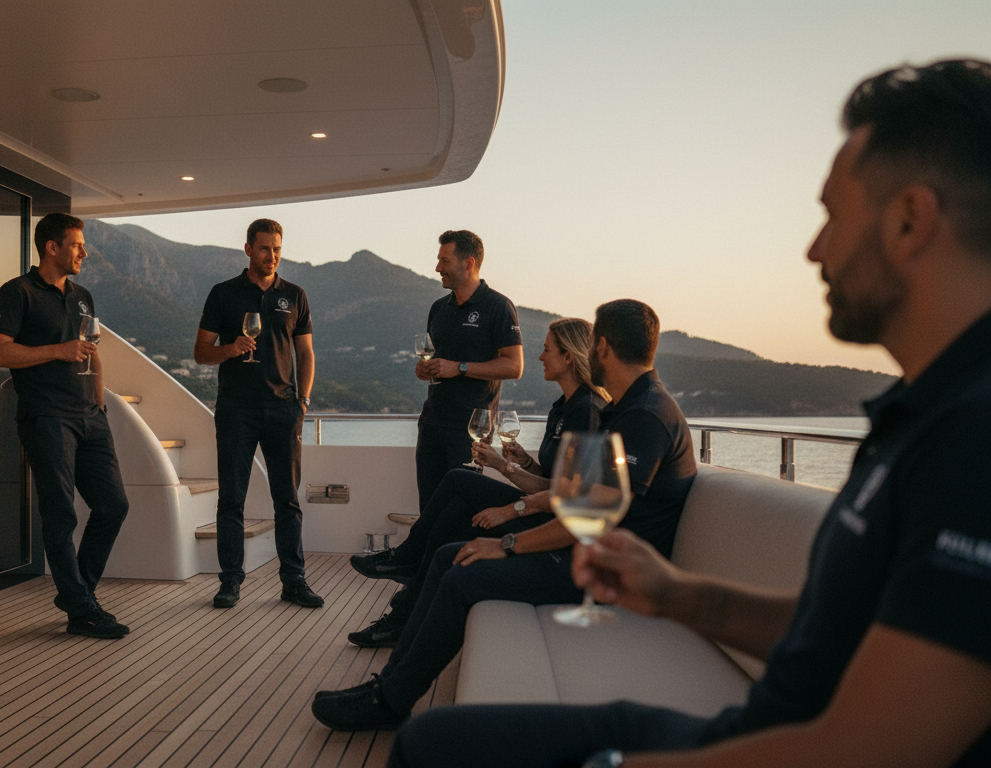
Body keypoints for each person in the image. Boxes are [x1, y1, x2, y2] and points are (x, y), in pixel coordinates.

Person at [387, 58, 991, 768]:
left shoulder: (973, 442)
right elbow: (837, 631)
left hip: (770, 747)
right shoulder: (921, 416)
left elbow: (867, 748)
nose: (813, 247)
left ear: (911, 219)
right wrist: (679, 596)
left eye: (832, 214)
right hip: (750, 724)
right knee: (434, 741)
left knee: (437, 752)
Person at [314, 300, 698, 730]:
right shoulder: (631, 407)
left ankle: (388, 702)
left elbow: (590, 513)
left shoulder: (644, 417)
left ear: (602, 348)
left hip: (608, 570)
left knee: (462, 573)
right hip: (588, 551)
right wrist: (513, 490)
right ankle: (386, 688)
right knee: (448, 555)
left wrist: (506, 542)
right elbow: (581, 502)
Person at [345, 317, 609, 648]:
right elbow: (551, 480)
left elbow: (569, 495)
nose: (540, 357)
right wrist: (509, 463)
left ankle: (405, 579)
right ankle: (402, 613)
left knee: (459, 482)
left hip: (555, 524)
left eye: (546, 349)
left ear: (569, 357)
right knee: (456, 510)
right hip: (543, 508)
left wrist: (511, 509)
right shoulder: (563, 408)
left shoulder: (587, 410)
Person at [0, 212, 130, 639]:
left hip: (90, 417)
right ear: (52, 247)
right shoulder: (17, 293)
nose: (84, 251)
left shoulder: (82, 295)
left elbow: (93, 348)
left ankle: (76, 594)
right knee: (61, 514)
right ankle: (82, 608)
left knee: (113, 505)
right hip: (47, 417)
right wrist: (57, 351)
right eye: (77, 244)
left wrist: (99, 402)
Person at [194, 218, 322, 610]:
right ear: (248, 249)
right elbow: (201, 352)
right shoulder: (223, 294)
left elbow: (305, 353)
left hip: (284, 408)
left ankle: (293, 581)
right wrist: (229, 349)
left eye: (278, 249)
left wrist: (303, 402)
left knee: (288, 499)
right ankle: (230, 582)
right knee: (232, 499)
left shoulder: (295, 295)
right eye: (265, 248)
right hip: (236, 409)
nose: (272, 256)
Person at [411, 230, 524, 513]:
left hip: (470, 429)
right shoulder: (439, 308)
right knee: (429, 508)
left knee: (459, 510)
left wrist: (458, 368)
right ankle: (425, 559)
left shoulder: (498, 306)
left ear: (468, 263)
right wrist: (426, 369)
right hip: (432, 423)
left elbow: (514, 366)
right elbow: (437, 362)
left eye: (444, 261)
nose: (438, 268)